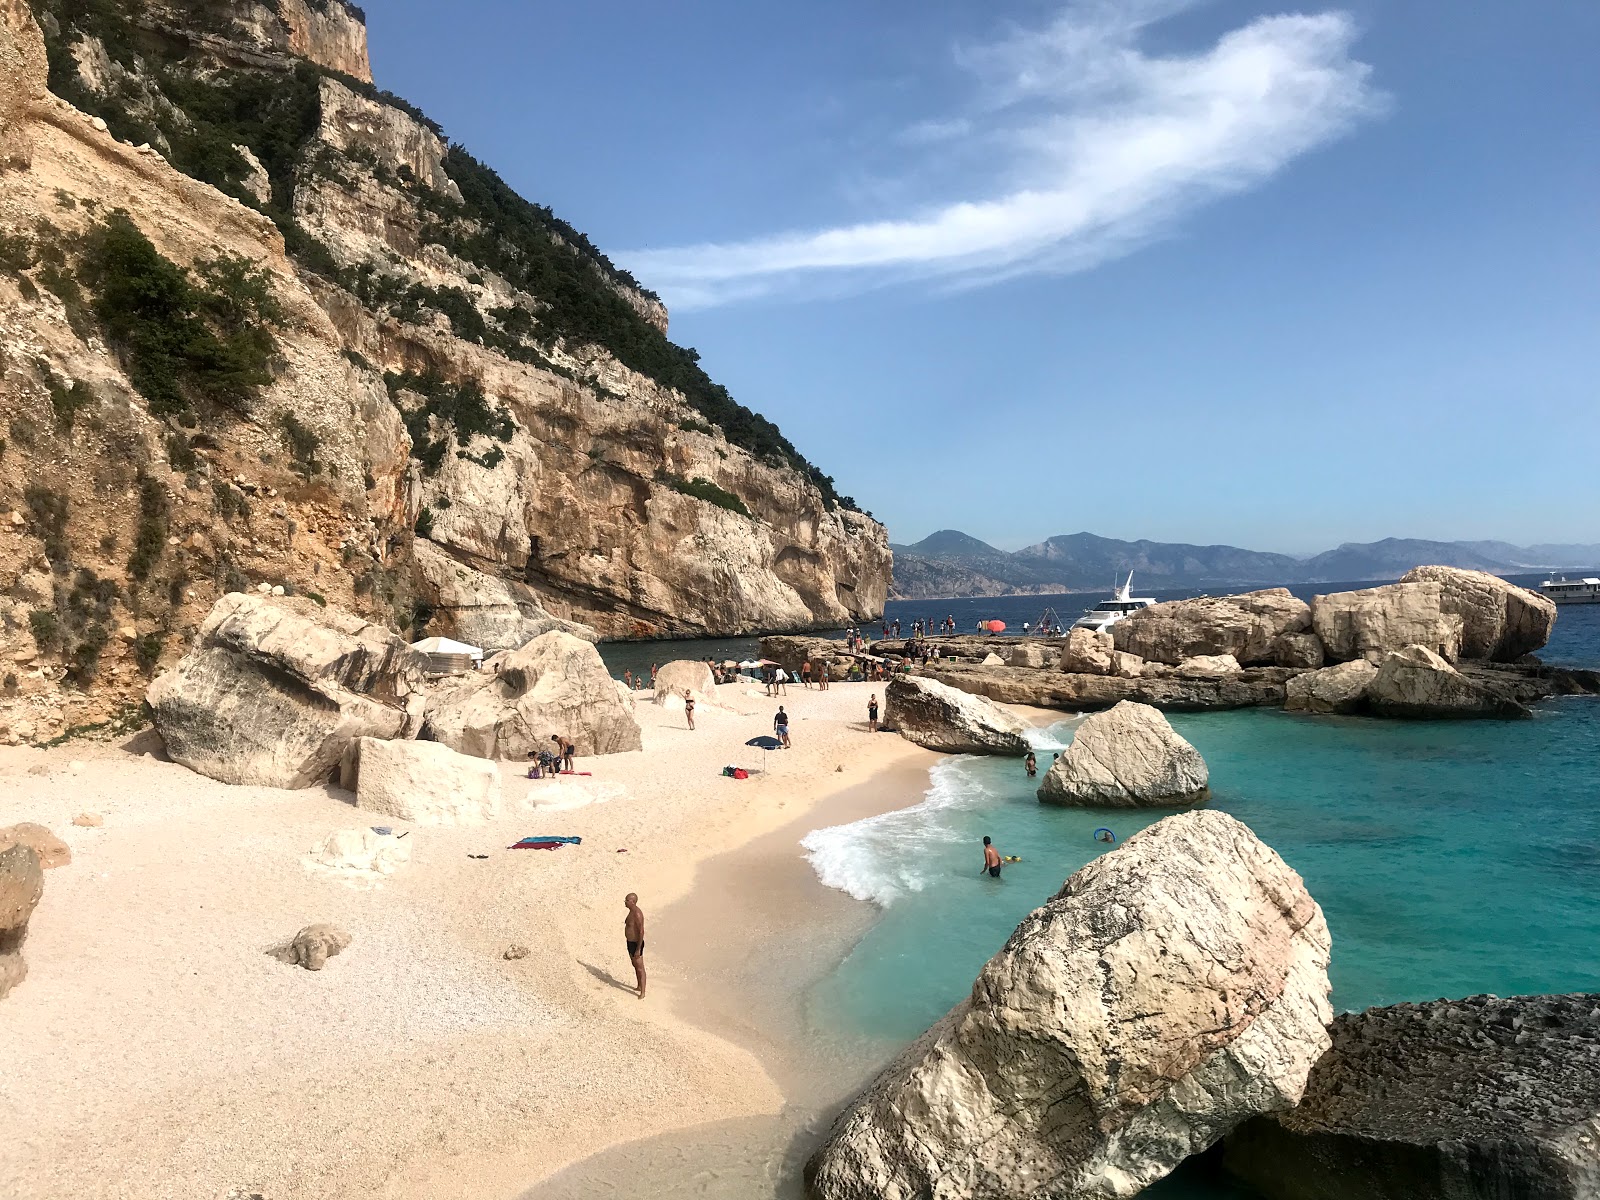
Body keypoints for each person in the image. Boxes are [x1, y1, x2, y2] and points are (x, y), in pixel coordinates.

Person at [624, 892, 646, 999]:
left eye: (627, 900)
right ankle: (638, 986)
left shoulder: (637, 914)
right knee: (635, 965)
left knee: (640, 967)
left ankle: (643, 992)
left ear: (632, 902)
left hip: (636, 943)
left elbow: (641, 932)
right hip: (630, 942)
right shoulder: (631, 912)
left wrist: (638, 949)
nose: (625, 902)